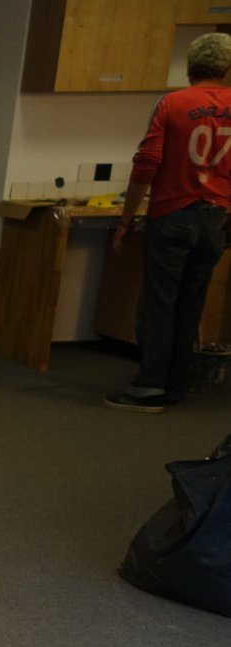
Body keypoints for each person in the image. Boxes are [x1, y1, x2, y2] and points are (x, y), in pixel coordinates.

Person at [108, 32, 231, 412]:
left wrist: (127, 218)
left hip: (173, 212)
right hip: (217, 217)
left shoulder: (173, 103)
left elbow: (147, 163)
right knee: (191, 302)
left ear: (191, 67)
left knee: (158, 303)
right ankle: (177, 382)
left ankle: (149, 387)